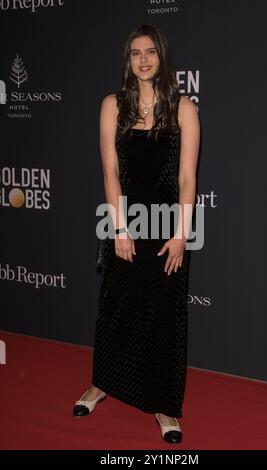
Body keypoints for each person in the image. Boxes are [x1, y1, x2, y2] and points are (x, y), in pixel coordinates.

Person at [73, 23, 200, 444]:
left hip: (167, 227)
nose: (143, 60)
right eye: (135, 53)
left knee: (165, 317)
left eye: (150, 52)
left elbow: (186, 179)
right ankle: (100, 385)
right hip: (125, 222)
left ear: (162, 56)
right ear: (127, 60)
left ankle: (165, 406)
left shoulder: (183, 109)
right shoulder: (112, 105)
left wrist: (182, 235)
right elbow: (110, 170)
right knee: (115, 308)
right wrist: (119, 228)